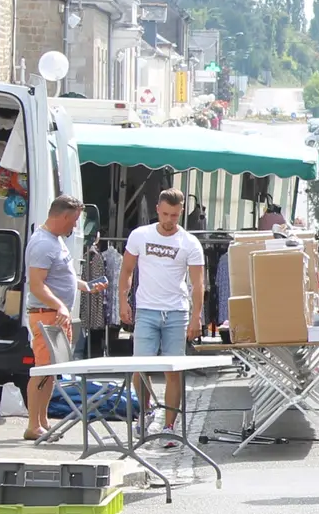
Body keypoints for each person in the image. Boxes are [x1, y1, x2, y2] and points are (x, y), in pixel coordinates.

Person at [120, 188, 206, 435]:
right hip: (146, 308)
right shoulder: (140, 235)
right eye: (166, 214)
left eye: (175, 216)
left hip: (176, 311)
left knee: (174, 371)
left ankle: (169, 425)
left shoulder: (189, 242)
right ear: (157, 209)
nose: (169, 220)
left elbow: (198, 283)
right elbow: (126, 270)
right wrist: (123, 302)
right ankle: (145, 412)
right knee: (140, 367)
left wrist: (196, 316)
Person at [23, 195, 86, 440]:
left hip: (56, 315)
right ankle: (32, 425)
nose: (75, 227)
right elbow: (37, 286)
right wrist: (60, 306)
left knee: (50, 371)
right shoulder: (43, 244)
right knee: (42, 370)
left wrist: (83, 285)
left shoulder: (55, 240)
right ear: (64, 217)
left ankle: (42, 420)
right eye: (74, 221)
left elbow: (60, 275)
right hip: (46, 316)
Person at [76, 230, 114, 360]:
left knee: (82, 323)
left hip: (89, 295)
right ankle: (81, 352)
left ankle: (80, 352)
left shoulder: (96, 257)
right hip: (89, 295)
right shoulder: (94, 256)